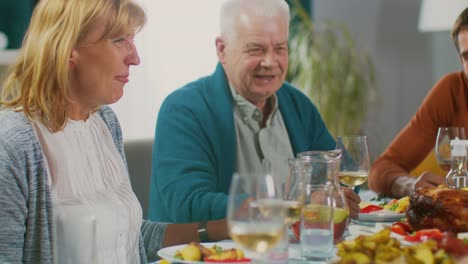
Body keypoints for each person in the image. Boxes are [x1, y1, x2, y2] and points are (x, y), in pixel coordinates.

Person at [0, 0, 228, 263]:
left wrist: (219, 229)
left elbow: (126, 237)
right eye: (120, 40)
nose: (135, 58)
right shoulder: (14, 143)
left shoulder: (105, 123)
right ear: (68, 48)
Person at [149, 0, 361, 224]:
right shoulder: (184, 110)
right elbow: (188, 206)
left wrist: (336, 196)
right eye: (256, 49)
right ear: (222, 50)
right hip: (210, 255)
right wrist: (294, 204)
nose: (270, 62)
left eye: (280, 48)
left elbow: (344, 177)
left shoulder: (298, 104)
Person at [368, 7, 468, 198]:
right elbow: (380, 170)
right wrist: (409, 185)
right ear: (460, 60)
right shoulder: (452, 90)